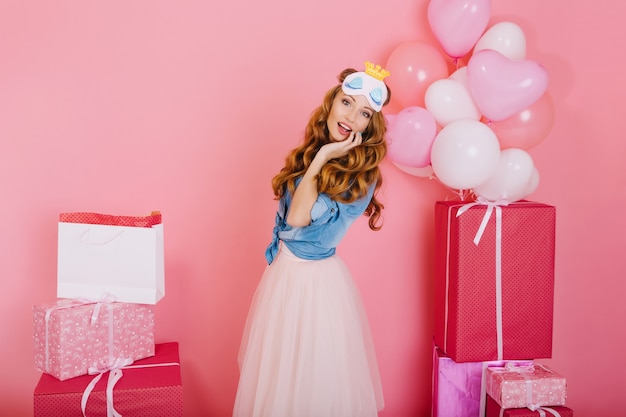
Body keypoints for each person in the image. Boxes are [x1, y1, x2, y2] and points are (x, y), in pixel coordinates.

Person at [233, 61, 391, 417]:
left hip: (315, 284)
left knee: (314, 381)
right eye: (347, 103)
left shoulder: (360, 176)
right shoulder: (309, 155)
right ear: (332, 103)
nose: (351, 116)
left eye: (364, 113)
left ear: (369, 126)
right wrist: (318, 157)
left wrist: (322, 159)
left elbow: (297, 217)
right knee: (280, 379)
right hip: (284, 274)